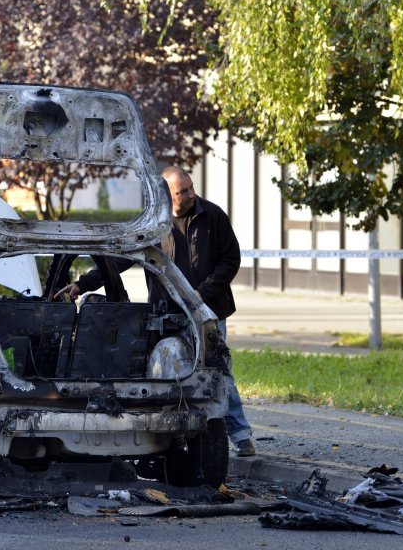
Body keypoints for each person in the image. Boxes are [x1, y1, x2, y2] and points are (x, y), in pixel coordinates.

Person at [55, 165, 255, 457]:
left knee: (217, 373)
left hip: (206, 311)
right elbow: (122, 260)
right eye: (181, 191)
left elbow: (230, 260)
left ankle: (240, 436)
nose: (189, 195)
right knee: (165, 373)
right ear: (166, 194)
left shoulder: (213, 216)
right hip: (165, 313)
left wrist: (201, 295)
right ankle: (173, 435)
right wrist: (84, 284)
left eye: (189, 188)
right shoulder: (155, 225)